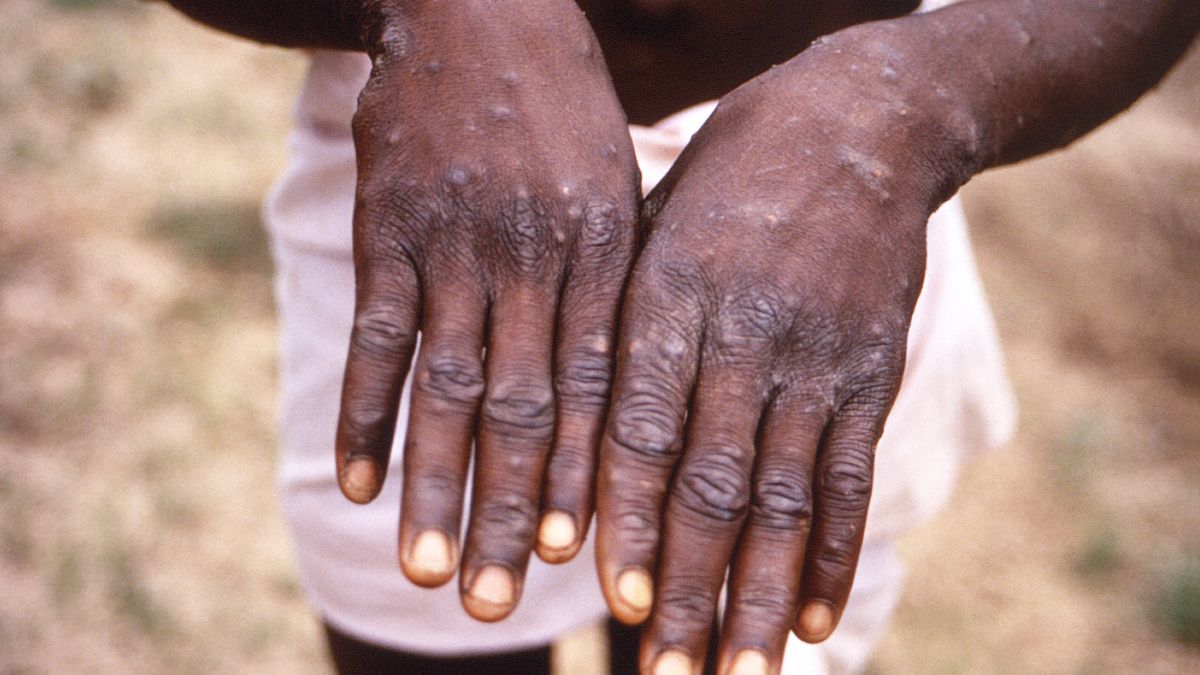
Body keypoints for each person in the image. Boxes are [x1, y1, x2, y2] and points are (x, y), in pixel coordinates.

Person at [163, 1, 1200, 673]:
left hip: (828, 208)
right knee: (421, 625)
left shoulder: (879, 136)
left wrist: (914, 104)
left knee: (735, 633)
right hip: (457, 167)